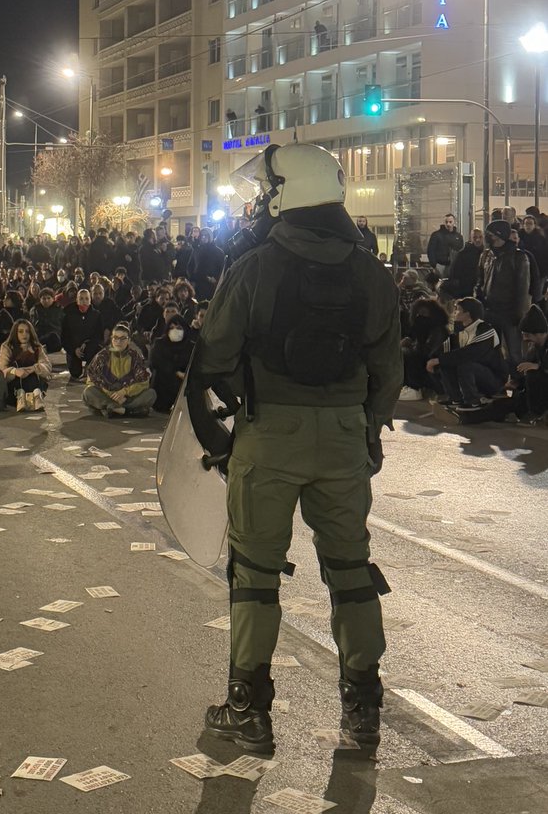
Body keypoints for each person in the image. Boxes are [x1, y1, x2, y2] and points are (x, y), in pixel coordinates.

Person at [195, 142, 402, 752]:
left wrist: (242, 411)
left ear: (286, 193)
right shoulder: (372, 272)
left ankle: (248, 710)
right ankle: (362, 709)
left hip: (270, 436)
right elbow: (389, 372)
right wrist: (364, 432)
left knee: (255, 575)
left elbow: (213, 356)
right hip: (342, 437)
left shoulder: (254, 267)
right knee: (351, 571)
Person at [426, 297, 505, 419]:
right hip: (473, 375)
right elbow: (445, 349)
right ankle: (455, 398)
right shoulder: (461, 331)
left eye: (457, 310)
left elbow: (470, 353)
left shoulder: (485, 329)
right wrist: (434, 360)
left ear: (467, 313)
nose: (454, 313)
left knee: (464, 363)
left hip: (493, 379)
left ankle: (473, 401)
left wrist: (439, 360)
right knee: (446, 362)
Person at [477, 220, 530, 368]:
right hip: (490, 310)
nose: (488, 237)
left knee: (514, 351)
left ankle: (519, 383)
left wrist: (519, 313)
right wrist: (479, 299)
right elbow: (480, 279)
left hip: (509, 311)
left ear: (499, 235)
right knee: (491, 350)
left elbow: (522, 288)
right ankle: (497, 381)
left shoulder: (518, 257)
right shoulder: (486, 255)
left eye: (491, 234)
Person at [83, 323, 156, 418]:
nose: (118, 341)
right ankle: (128, 411)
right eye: (115, 338)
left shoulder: (135, 357)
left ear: (129, 340)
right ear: (111, 339)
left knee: (151, 394)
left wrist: (125, 392)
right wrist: (112, 394)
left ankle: (115, 410)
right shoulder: (102, 356)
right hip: (107, 396)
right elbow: (92, 380)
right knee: (88, 392)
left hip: (127, 398)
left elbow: (144, 382)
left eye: (123, 338)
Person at [0, 318, 52, 412]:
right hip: (14, 386)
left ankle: (37, 396)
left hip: (34, 381)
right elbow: (1, 369)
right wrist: (14, 371)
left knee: (33, 374)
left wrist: (33, 368)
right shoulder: (7, 347)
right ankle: (20, 396)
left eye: (27, 331)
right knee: (20, 373)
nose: (24, 334)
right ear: (15, 333)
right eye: (20, 331)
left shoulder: (37, 347)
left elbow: (47, 366)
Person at [148, 313, 194, 413]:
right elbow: (156, 362)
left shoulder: (190, 347)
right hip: (163, 386)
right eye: (171, 327)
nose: (175, 330)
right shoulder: (159, 344)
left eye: (178, 327)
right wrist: (176, 372)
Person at [61, 289, 104, 380]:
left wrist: (88, 344)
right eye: (81, 299)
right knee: (75, 373)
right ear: (77, 300)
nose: (84, 301)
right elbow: (65, 337)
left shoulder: (96, 315)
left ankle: (90, 365)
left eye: (86, 299)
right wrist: (74, 349)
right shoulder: (68, 315)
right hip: (74, 348)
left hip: (90, 347)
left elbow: (98, 336)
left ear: (90, 300)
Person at [31, 288, 64, 353]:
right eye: (44, 298)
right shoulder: (35, 310)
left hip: (55, 337)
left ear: (53, 299)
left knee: (53, 336)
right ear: (40, 300)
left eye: (48, 298)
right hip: (40, 337)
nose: (46, 300)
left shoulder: (59, 310)